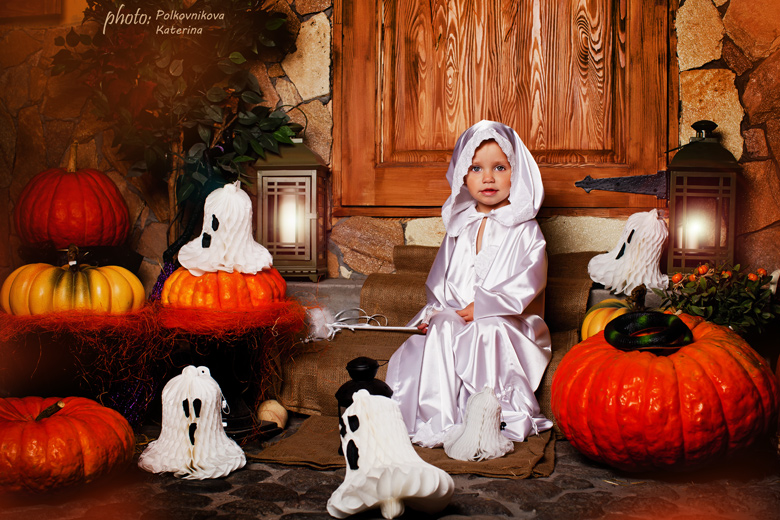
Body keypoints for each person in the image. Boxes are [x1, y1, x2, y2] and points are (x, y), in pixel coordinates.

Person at [385, 120, 553, 448]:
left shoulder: (525, 229)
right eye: (476, 168)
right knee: (442, 325)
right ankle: (441, 419)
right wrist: (436, 311)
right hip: (459, 313)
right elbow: (440, 280)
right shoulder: (460, 227)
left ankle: (490, 415)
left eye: (499, 167)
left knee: (487, 331)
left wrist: (485, 306)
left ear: (516, 172)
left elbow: (529, 281)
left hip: (508, 320)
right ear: (463, 175)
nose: (488, 178)